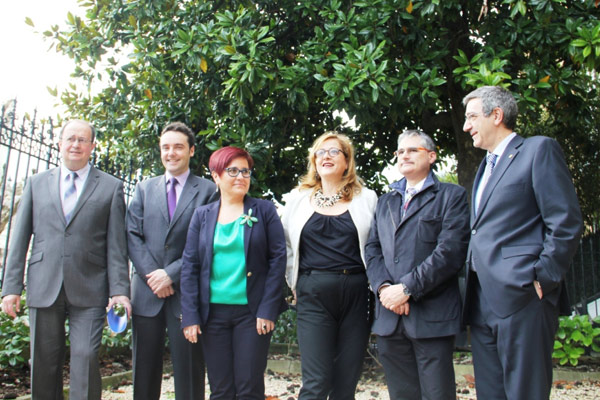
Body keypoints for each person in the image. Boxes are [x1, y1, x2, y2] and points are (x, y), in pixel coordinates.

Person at [462, 86, 583, 399]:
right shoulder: (484, 167)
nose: (466, 125)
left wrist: (543, 276)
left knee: (525, 392)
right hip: (481, 299)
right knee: (491, 393)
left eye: (473, 117)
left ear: (497, 115)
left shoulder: (538, 150)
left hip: (523, 294)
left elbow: (565, 221)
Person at [0, 119, 131, 400]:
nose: (76, 144)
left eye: (83, 140)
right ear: (59, 144)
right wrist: (11, 288)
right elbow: (19, 239)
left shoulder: (110, 187)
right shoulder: (36, 183)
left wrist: (119, 291)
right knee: (44, 362)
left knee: (85, 357)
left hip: (91, 287)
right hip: (44, 284)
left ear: (92, 147)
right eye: (71, 138)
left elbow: (117, 246)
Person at [365, 129, 470, 400]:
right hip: (389, 317)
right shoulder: (386, 201)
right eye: (400, 151)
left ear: (432, 156)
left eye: (413, 150)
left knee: (437, 395)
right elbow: (373, 249)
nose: (404, 155)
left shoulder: (452, 196)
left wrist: (407, 288)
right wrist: (385, 288)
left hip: (431, 317)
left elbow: (450, 252)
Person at [180, 146, 286, 400]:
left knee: (249, 386)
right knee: (221, 388)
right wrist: (191, 316)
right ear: (216, 176)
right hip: (212, 315)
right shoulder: (201, 216)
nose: (240, 176)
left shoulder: (264, 210)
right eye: (232, 170)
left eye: (245, 171)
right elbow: (190, 266)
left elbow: (278, 259)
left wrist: (268, 309)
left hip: (252, 314)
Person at [281, 131, 377, 399]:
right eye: (320, 152)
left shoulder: (366, 198)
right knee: (316, 381)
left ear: (347, 161)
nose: (326, 156)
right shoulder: (297, 199)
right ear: (314, 161)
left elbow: (375, 245)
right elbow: (286, 244)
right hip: (313, 292)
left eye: (334, 151)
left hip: (358, 294)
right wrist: (294, 283)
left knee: (346, 382)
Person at [126, 122, 217, 400]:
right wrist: (153, 275)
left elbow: (207, 240)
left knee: (189, 369)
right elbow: (132, 235)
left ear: (191, 150)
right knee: (144, 370)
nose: (171, 153)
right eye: (166, 147)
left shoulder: (208, 191)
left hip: (186, 294)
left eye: (178, 147)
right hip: (146, 292)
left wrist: (171, 274)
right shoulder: (143, 189)